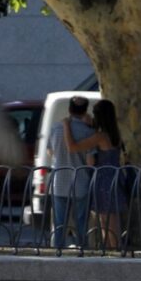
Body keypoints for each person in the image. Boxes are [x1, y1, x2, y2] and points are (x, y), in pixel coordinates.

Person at [62, 99, 126, 249]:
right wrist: (90, 124)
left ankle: (115, 251)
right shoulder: (115, 134)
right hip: (115, 178)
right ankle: (112, 250)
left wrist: (66, 126)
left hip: (103, 181)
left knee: (107, 222)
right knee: (110, 221)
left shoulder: (100, 137)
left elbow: (72, 147)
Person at [47, 96, 95, 249]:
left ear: (69, 110)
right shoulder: (88, 132)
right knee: (81, 220)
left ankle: (57, 249)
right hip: (80, 183)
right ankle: (82, 248)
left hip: (59, 181)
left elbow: (50, 152)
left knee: (59, 221)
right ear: (85, 111)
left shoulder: (56, 128)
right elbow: (90, 162)